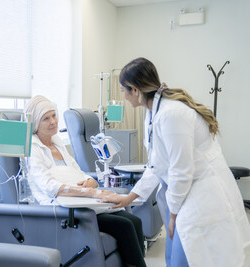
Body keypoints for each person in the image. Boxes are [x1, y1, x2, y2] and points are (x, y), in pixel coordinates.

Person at [100, 57, 250, 267]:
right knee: (174, 258)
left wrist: (173, 215)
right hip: (187, 195)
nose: (123, 96)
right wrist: (129, 198)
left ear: (135, 90)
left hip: (203, 196)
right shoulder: (153, 112)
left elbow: (181, 170)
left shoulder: (171, 114)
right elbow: (156, 165)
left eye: (124, 90)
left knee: (192, 257)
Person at [25, 95, 146, 267]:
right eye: (46, 118)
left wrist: (91, 182)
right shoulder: (33, 148)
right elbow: (49, 185)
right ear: (35, 123)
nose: (53, 121)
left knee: (135, 221)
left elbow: (78, 172)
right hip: (62, 207)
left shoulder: (57, 142)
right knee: (124, 225)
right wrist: (89, 191)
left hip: (83, 200)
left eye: (53, 115)